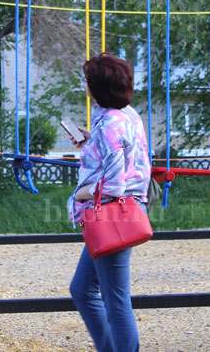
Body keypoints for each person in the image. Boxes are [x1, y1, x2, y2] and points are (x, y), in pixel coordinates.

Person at [68, 52, 151, 352]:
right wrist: (92, 143)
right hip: (123, 210)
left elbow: (114, 185)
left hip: (115, 214)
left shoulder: (110, 126)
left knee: (115, 299)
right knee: (82, 289)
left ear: (97, 88)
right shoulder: (125, 114)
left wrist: (81, 194)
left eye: (87, 81)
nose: (85, 85)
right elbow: (122, 156)